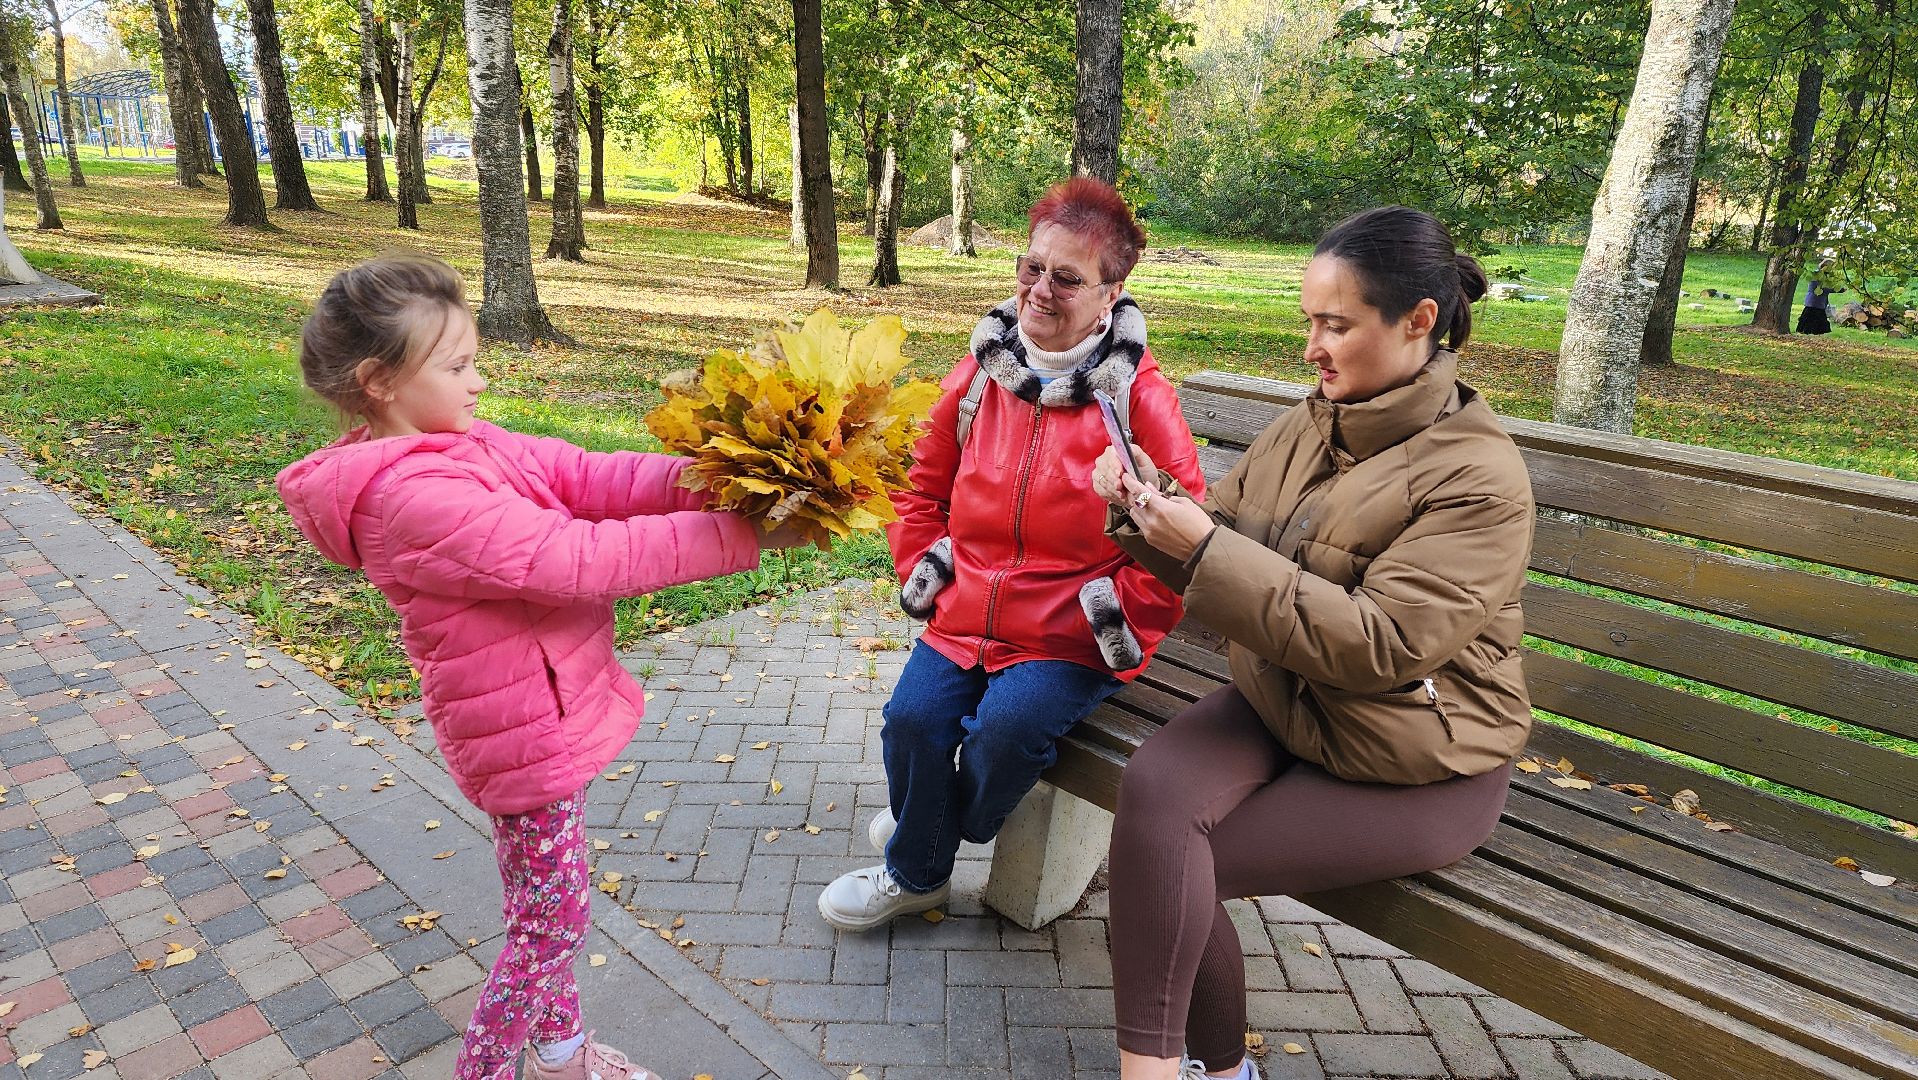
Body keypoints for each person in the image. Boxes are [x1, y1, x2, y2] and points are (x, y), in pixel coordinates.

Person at [276, 253, 797, 1080]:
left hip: (543, 714)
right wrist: (745, 535)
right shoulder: (407, 497)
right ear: (379, 381)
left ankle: (560, 1055)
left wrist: (726, 483)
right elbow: (571, 558)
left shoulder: (462, 442)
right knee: (551, 924)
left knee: (542, 903)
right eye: (457, 366)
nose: (478, 381)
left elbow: (585, 476)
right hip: (520, 736)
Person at [1090, 206, 1535, 1080]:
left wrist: (1204, 548)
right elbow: (1223, 541)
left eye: (1335, 325)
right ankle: (1219, 1072)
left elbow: (1382, 646)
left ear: (1418, 321)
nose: (1312, 348)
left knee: (1174, 867)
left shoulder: (1480, 478)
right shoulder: (1312, 421)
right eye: (1309, 323)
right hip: (1288, 698)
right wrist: (1147, 507)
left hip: (1421, 755)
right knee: (1154, 797)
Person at [817, 177, 1207, 930]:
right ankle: (921, 866)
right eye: (1032, 268)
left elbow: (1184, 540)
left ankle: (922, 844)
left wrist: (1115, 618)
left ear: (1111, 294)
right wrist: (927, 570)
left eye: (1068, 278)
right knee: (911, 723)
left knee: (1005, 732)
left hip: (1069, 630)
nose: (1040, 290)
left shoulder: (1139, 399)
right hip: (967, 607)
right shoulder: (979, 373)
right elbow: (917, 487)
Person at [1796, 258, 1837, 335]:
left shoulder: (1825, 276)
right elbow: (1825, 288)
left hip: (1818, 302)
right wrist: (1838, 290)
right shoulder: (1817, 275)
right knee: (1810, 319)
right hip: (1814, 302)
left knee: (1815, 319)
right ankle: (1807, 332)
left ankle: (1814, 333)